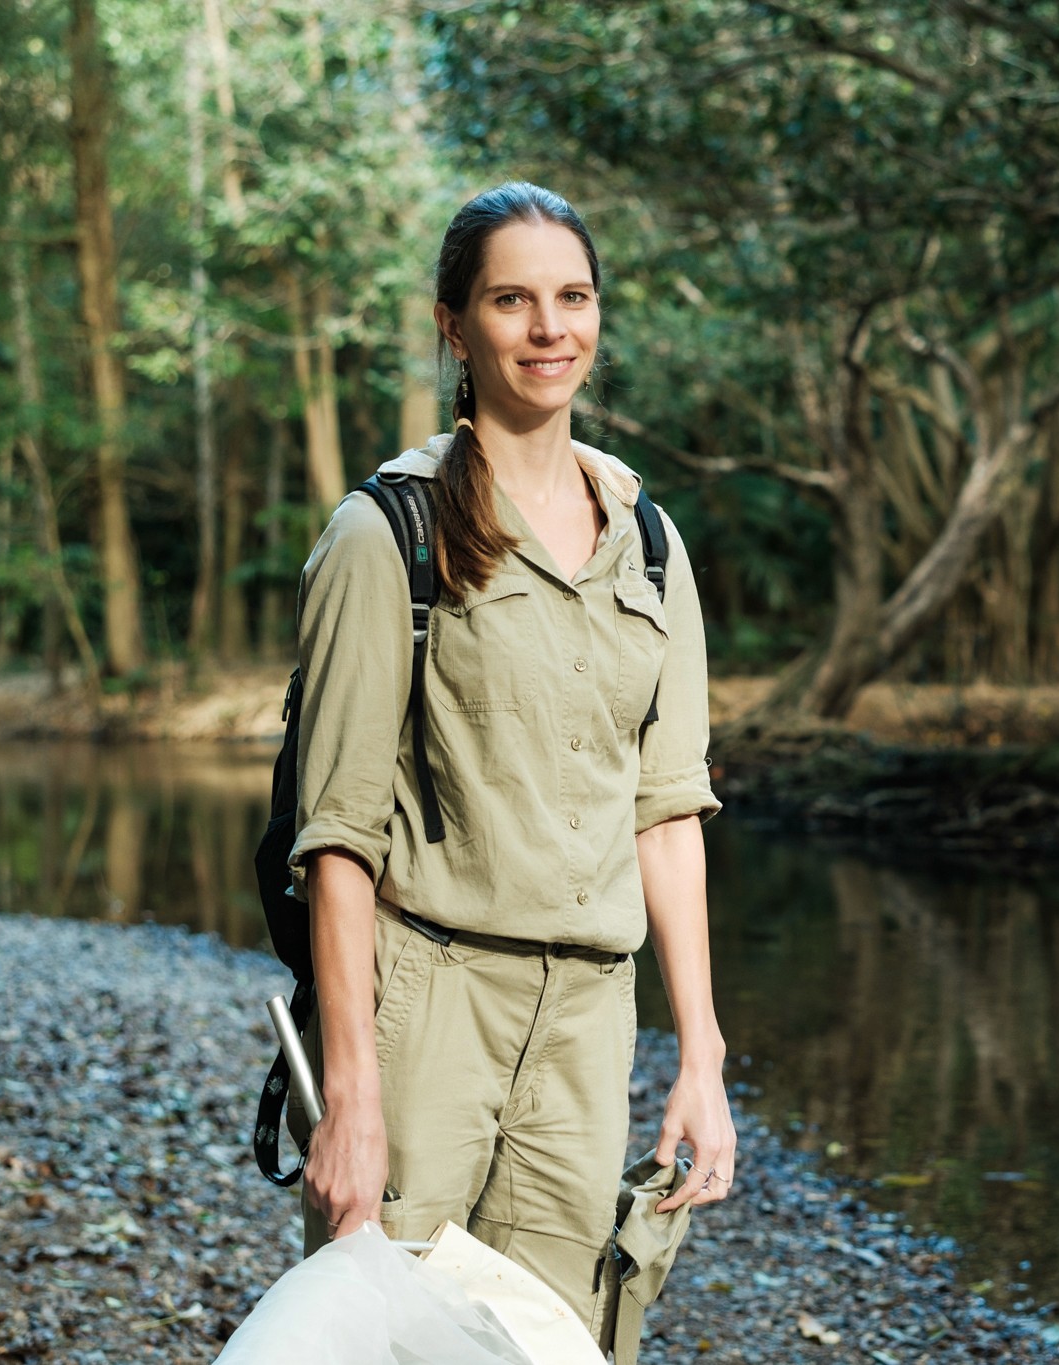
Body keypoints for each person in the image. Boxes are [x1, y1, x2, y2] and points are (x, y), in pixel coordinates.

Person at [284, 181, 735, 1335]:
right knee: (388, 1336)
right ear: (454, 325)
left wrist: (700, 1060)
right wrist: (351, 1094)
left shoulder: (648, 540)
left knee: (548, 1343)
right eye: (512, 300)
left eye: (572, 297)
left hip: (590, 1021)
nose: (549, 328)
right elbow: (336, 837)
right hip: (427, 1002)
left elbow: (666, 812)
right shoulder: (386, 534)